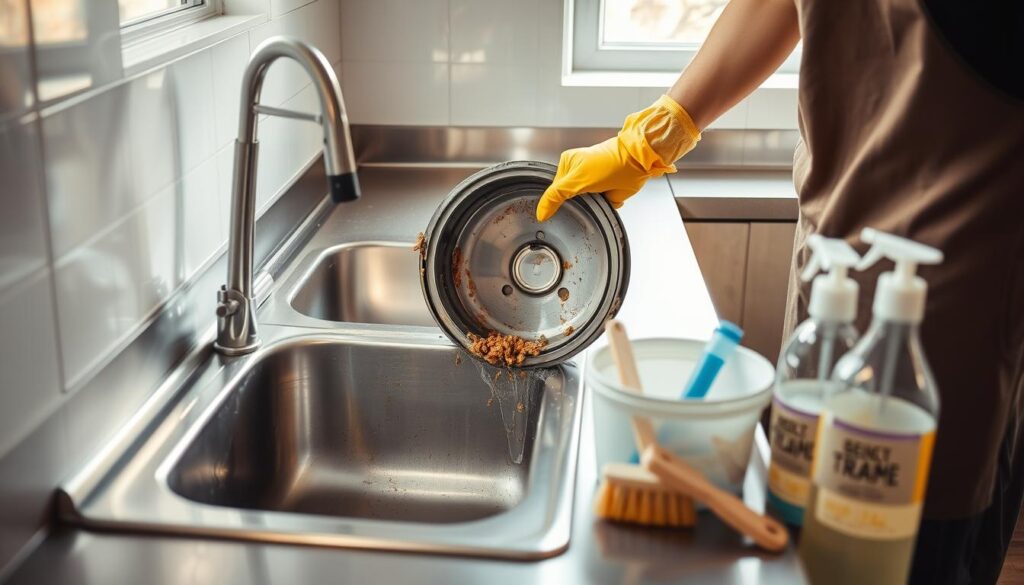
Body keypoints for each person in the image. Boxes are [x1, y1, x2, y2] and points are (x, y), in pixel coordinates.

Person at [536, 0, 1024, 583]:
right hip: (830, 263)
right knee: (802, 527)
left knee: (905, 546)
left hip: (950, 308)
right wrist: (650, 140)